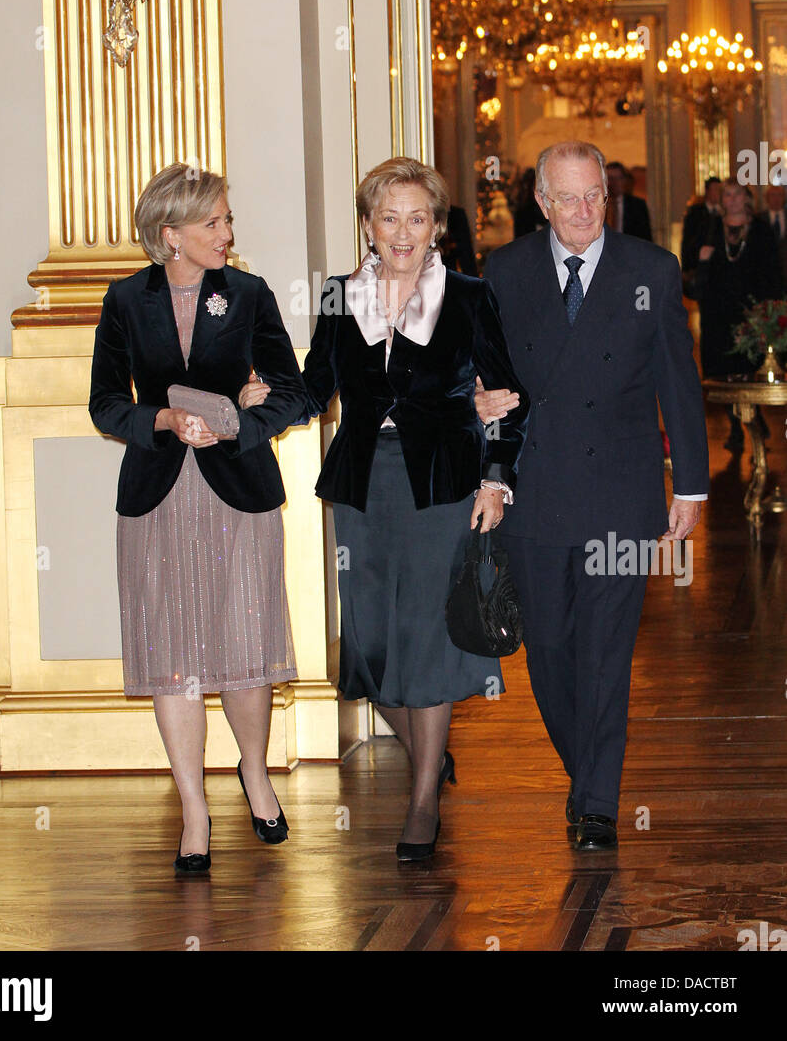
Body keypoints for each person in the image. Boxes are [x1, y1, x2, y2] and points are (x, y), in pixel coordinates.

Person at [242, 157, 528, 861]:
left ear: (437, 226)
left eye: (418, 217)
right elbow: (315, 389)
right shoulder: (341, 296)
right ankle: (429, 754)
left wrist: (496, 481)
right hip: (365, 485)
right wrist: (258, 406)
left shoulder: (467, 296)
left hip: (444, 486)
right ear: (368, 226)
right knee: (370, 646)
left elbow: (509, 397)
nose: (404, 232)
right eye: (389, 217)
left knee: (430, 638)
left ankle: (423, 794)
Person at [482, 141, 708, 850]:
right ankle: (588, 777)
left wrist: (692, 485)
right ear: (542, 203)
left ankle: (597, 805)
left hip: (621, 490)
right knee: (548, 651)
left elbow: (679, 382)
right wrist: (480, 411)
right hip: (536, 492)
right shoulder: (506, 270)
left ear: (606, 198)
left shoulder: (651, 269)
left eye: (594, 196)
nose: (582, 211)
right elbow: (482, 372)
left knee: (607, 651)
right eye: (567, 198)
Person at [89, 163, 307, 875]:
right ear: (169, 234)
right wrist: (160, 417)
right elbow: (105, 405)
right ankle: (193, 807)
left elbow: (294, 393)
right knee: (173, 658)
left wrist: (244, 422)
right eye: (212, 221)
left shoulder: (247, 294)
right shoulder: (124, 300)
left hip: (236, 490)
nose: (227, 232)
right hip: (157, 496)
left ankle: (253, 771)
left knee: (245, 643)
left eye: (227, 219)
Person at [688, 177, 783, 452]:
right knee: (722, 372)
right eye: (726, 195)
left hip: (750, 313)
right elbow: (694, 260)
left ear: (746, 198)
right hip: (717, 312)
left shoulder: (761, 230)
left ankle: (755, 419)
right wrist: (703, 259)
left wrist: (769, 309)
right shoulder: (711, 227)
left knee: (747, 368)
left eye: (736, 194)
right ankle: (734, 428)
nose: (730, 199)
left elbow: (772, 271)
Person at [680, 176, 722, 281]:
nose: (718, 193)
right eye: (715, 189)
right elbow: (687, 239)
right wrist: (686, 267)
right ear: (707, 191)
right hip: (697, 264)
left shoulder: (724, 212)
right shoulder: (695, 212)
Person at [605, 160, 652, 240]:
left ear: (624, 180)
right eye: (610, 178)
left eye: (618, 178)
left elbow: (645, 236)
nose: (614, 183)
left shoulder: (638, 205)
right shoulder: (597, 204)